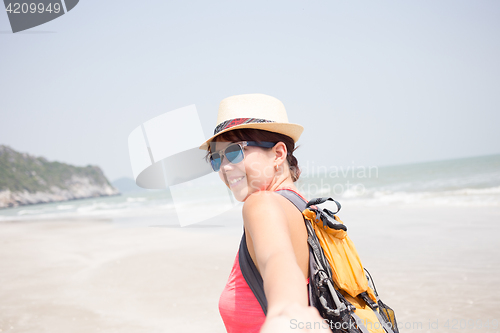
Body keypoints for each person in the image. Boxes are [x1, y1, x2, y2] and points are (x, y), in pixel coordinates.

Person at [199, 93, 331, 333]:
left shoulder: (260, 204)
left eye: (234, 151)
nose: (225, 167)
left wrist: (287, 312)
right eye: (216, 158)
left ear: (278, 154)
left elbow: (276, 259)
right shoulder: (305, 209)